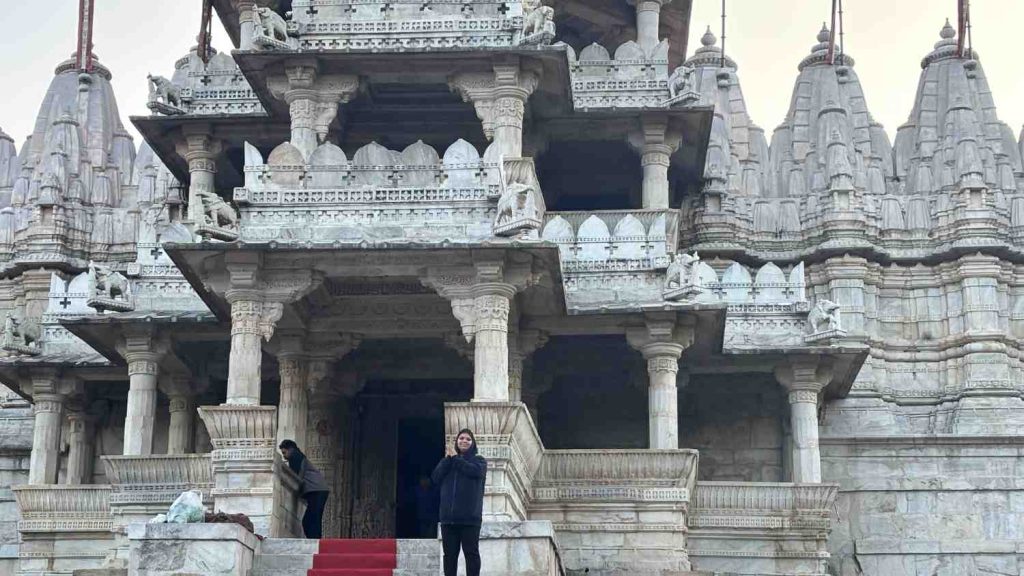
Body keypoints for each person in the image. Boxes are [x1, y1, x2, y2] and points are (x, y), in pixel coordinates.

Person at [431, 428, 487, 576]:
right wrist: (447, 460)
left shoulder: (479, 461)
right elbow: (435, 478)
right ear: (456, 441)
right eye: (461, 438)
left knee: (471, 555)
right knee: (449, 557)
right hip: (448, 520)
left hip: (470, 519)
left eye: (468, 439)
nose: (464, 441)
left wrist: (456, 459)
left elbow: (474, 471)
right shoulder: (448, 462)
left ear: (473, 443)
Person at [279, 439, 330, 539]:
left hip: (316, 490)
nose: (284, 456)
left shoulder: (295, 457)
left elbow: (295, 477)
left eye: (284, 452)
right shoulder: (298, 457)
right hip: (318, 490)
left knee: (310, 520)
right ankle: (316, 540)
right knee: (313, 519)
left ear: (291, 449)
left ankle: (315, 541)